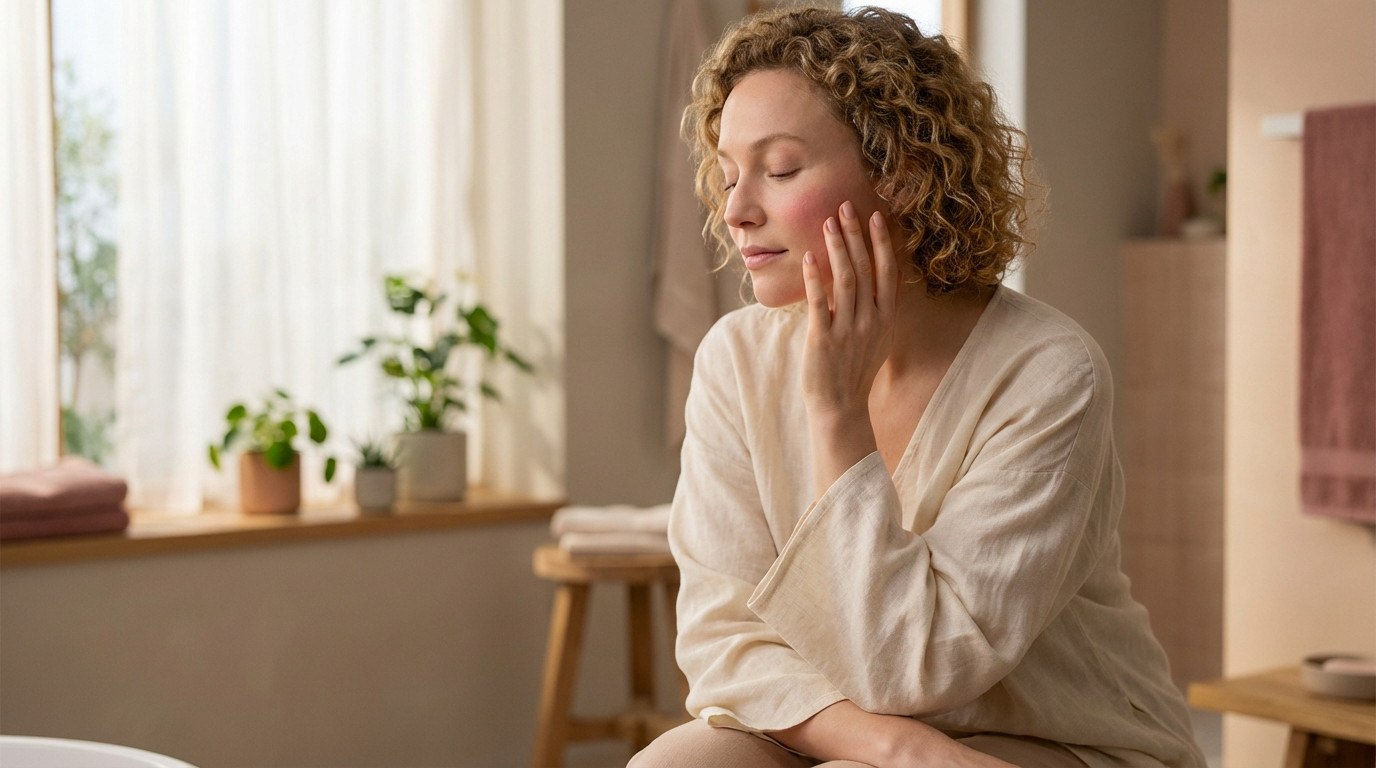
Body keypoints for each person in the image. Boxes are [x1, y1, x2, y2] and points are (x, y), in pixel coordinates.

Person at [629, 6, 1207, 768]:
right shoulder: (735, 361)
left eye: (781, 169)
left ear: (901, 174)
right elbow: (720, 641)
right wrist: (900, 748)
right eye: (730, 174)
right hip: (854, 728)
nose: (736, 211)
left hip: (1064, 736)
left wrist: (837, 412)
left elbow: (920, 668)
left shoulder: (1047, 373)